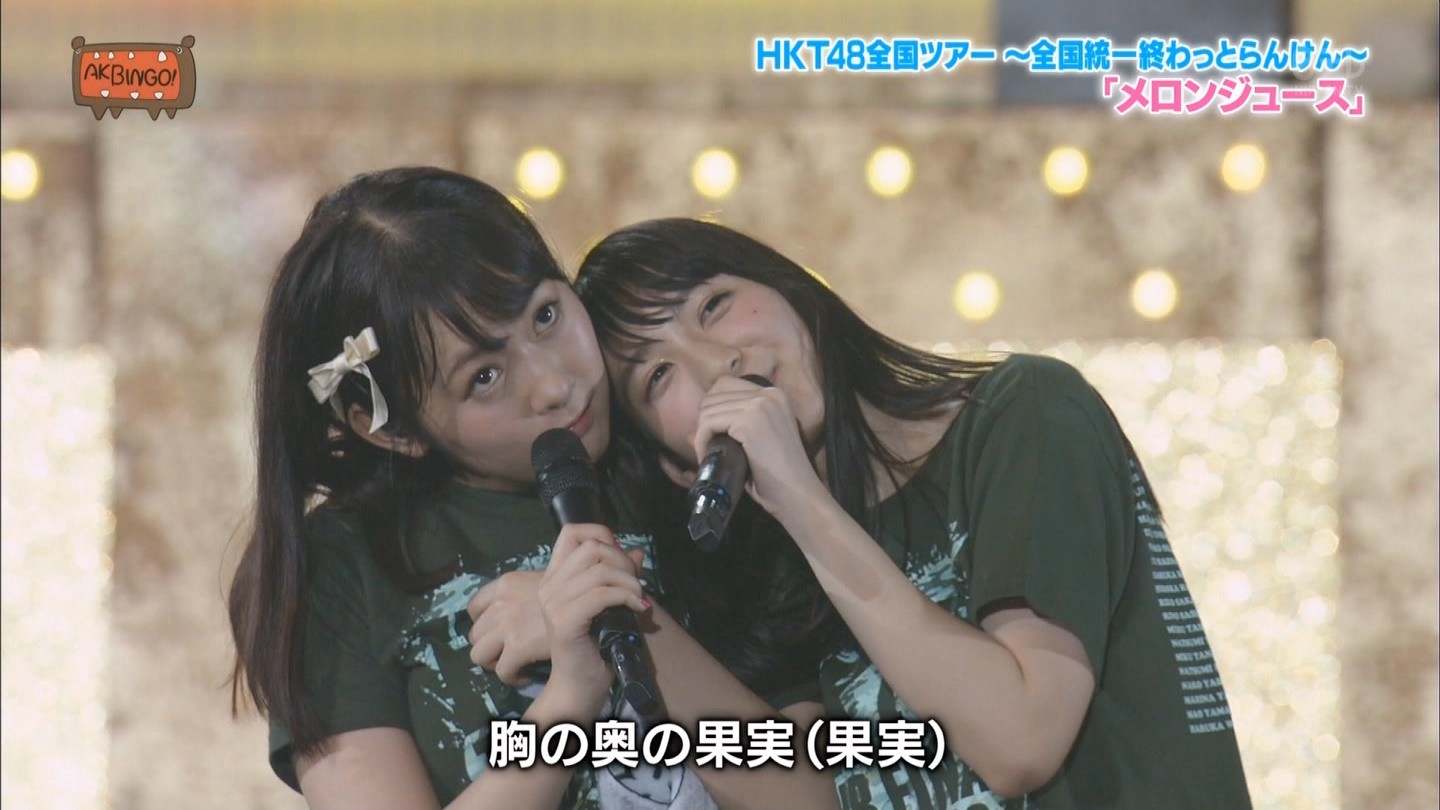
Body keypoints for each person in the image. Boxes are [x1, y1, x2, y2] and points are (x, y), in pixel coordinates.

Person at [572, 218, 1254, 810]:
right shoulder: (772, 573)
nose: (716, 362)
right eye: (657, 376)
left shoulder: (1025, 415)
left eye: (714, 305)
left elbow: (1023, 737)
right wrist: (615, 606)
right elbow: (807, 795)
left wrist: (801, 499)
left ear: (793, 291)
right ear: (675, 464)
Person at [228, 168, 837, 810]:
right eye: (484, 376)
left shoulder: (675, 445)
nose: (554, 384)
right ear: (393, 429)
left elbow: (813, 798)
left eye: (546, 315)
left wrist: (630, 625)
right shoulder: (344, 563)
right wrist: (569, 697)